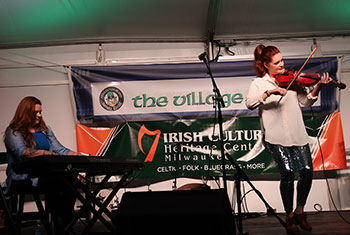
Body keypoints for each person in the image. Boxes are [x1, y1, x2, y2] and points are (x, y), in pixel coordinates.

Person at [245, 45, 332, 234]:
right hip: (275, 136)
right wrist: (270, 92)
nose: (282, 65)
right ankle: (289, 214)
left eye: (282, 60)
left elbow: (306, 101)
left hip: (297, 133)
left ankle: (300, 211)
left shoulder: (292, 80)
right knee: (287, 171)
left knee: (307, 170)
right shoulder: (259, 84)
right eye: (277, 63)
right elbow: (250, 103)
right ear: (266, 65)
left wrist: (318, 86)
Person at [4, 96, 81, 234]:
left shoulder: (45, 129)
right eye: (36, 112)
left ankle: (63, 224)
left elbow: (60, 150)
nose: (39, 115)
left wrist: (79, 155)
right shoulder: (14, 132)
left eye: (40, 112)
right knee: (58, 182)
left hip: (46, 175)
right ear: (26, 112)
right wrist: (43, 153)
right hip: (24, 178)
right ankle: (61, 226)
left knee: (70, 179)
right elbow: (23, 153)